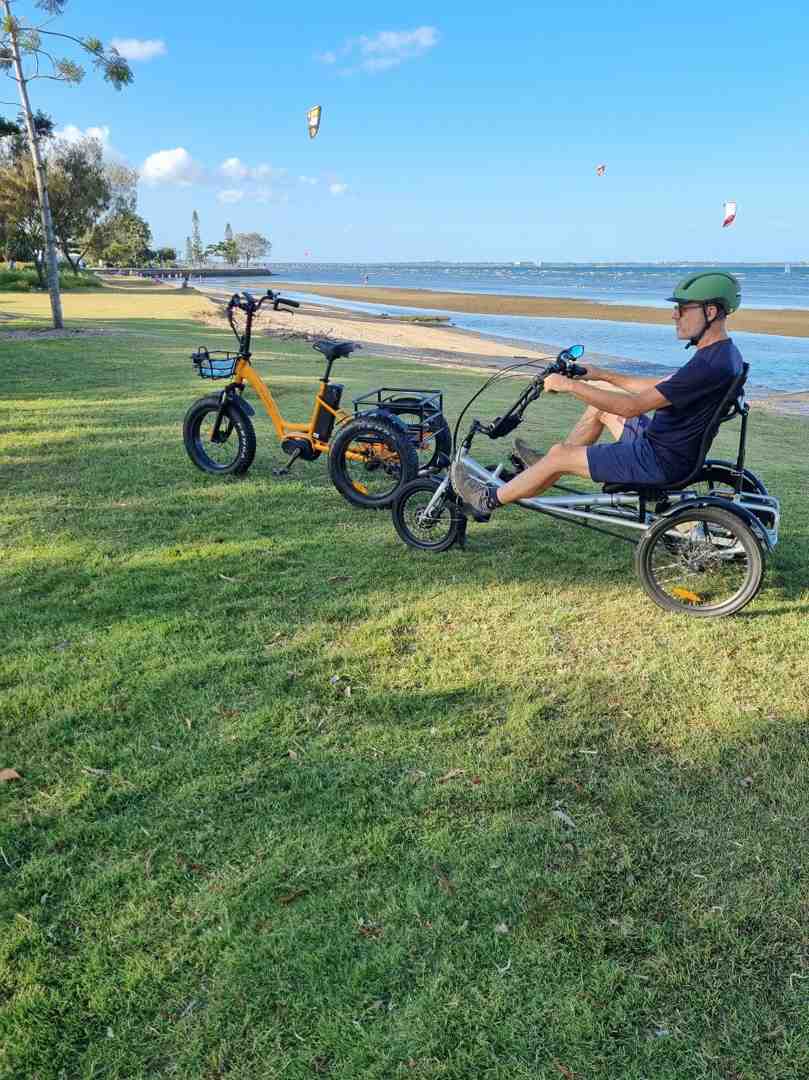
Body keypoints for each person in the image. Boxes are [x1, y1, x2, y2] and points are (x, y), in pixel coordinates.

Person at [451, 271, 744, 515]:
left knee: (558, 455)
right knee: (600, 407)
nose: (674, 315)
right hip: (664, 446)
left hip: (657, 460)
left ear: (710, 311)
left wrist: (569, 385)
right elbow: (656, 386)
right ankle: (544, 470)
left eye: (682, 308)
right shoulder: (721, 355)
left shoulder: (706, 365)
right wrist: (601, 375)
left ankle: (486, 500)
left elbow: (632, 407)